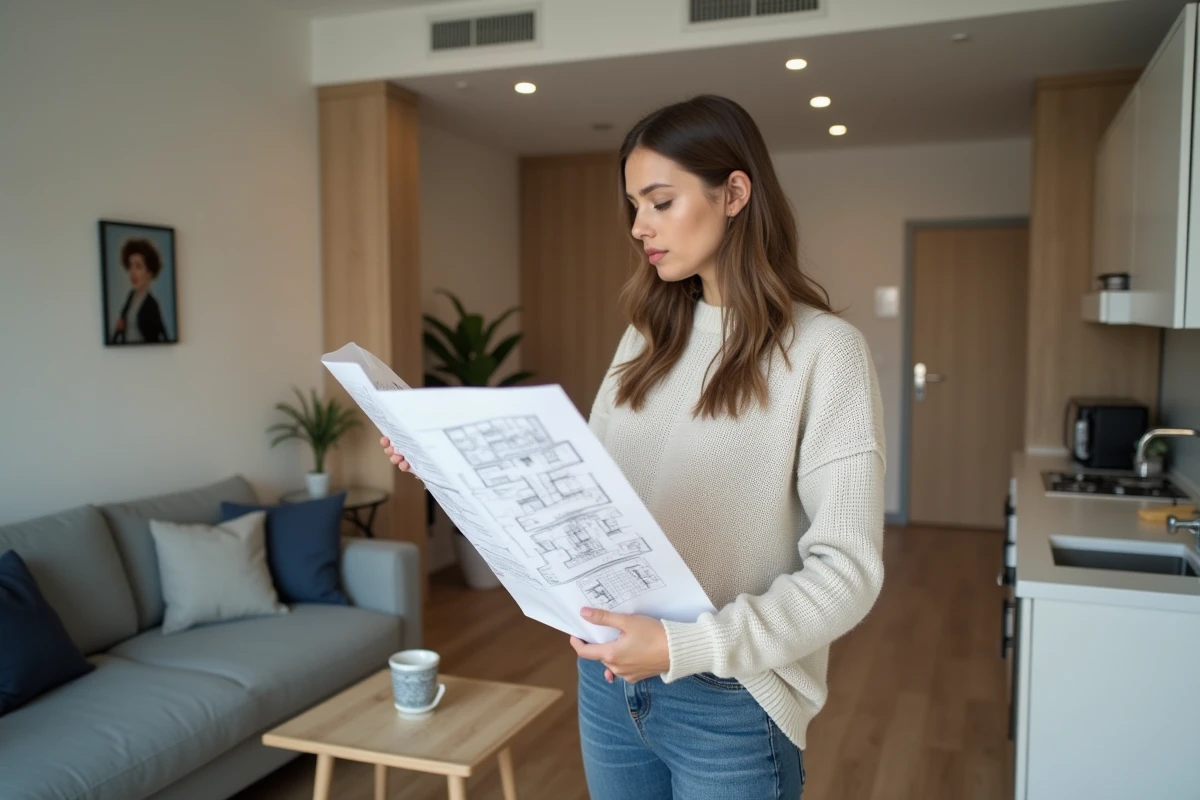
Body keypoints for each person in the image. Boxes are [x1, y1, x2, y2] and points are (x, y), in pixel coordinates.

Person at [381, 94, 885, 799]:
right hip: (609, 681)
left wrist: (687, 646)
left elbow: (848, 573)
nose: (639, 227)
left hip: (730, 699)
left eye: (659, 202)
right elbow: (581, 504)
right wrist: (448, 464)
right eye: (633, 207)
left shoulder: (827, 352)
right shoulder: (646, 342)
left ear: (735, 192)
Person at [111, 237, 169, 344]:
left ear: (149, 272)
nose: (132, 273)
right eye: (130, 266)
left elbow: (158, 338)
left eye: (138, 266)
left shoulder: (152, 304)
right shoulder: (131, 296)